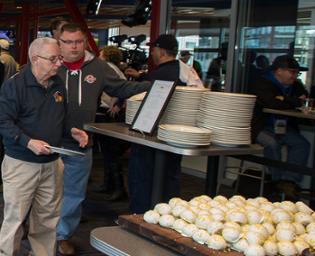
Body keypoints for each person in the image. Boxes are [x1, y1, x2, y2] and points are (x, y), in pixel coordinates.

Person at [53, 24, 153, 255]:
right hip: (49, 142)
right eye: (68, 42)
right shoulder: (52, 65)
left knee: (74, 195)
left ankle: (62, 236)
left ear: (85, 42)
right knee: (45, 192)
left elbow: (122, 87)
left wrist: (153, 85)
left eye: (78, 41)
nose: (74, 46)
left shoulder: (98, 68)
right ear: (59, 43)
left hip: (80, 144)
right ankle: (42, 232)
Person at [0, 37, 89, 256]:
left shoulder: (57, 85)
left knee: (47, 220)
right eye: (53, 59)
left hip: (52, 164)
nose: (59, 63)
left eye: (59, 58)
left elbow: (61, 119)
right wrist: (28, 142)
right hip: (21, 164)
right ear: (35, 59)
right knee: (15, 219)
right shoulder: (15, 85)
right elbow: (0, 121)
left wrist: (72, 131)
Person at [127, 34, 203, 214]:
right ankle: (167, 215)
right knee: (169, 179)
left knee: (144, 180)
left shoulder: (161, 74)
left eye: (153, 49)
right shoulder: (184, 71)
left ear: (160, 51)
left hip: (151, 135)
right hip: (175, 136)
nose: (151, 53)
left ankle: (142, 216)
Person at [248, 55, 310, 187]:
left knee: (302, 144)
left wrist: (284, 99)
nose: (295, 76)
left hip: (284, 127)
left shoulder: (296, 85)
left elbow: (304, 101)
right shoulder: (262, 83)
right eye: (292, 72)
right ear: (279, 71)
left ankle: (288, 181)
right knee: (272, 144)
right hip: (261, 126)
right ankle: (276, 181)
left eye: (297, 73)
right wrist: (293, 101)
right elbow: (271, 103)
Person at [92, 45, 130, 201]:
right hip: (107, 112)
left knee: (110, 152)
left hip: (108, 113)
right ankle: (109, 184)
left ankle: (118, 188)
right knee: (107, 152)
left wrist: (117, 105)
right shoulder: (114, 68)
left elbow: (123, 88)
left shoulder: (108, 68)